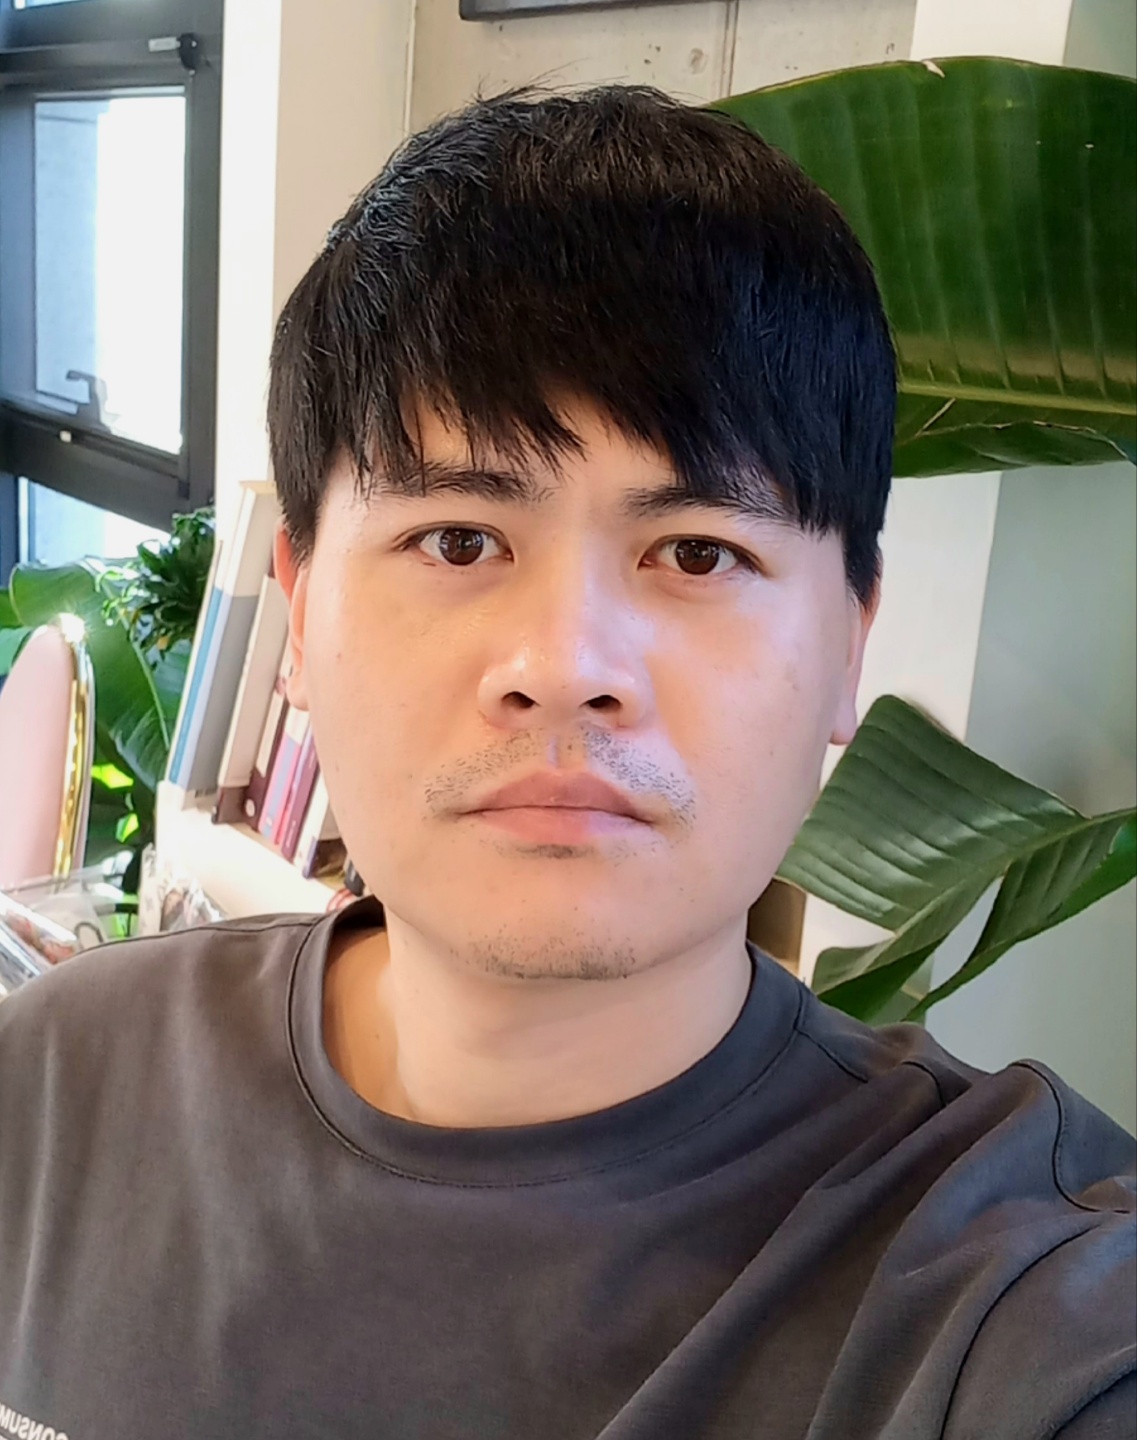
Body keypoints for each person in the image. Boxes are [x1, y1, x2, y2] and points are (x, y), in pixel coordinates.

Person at [0, 86, 1133, 1440]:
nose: (563, 663)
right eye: (458, 541)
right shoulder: (57, 1080)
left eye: (699, 552)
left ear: (848, 644)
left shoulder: (1018, 1305)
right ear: (299, 616)